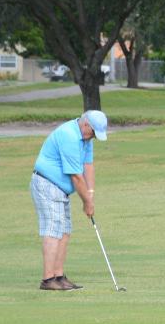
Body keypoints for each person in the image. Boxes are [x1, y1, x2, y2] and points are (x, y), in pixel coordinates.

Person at [30, 110, 108, 291]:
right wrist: (87, 203)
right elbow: (76, 176)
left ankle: (59, 276)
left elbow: (87, 165)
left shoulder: (86, 138)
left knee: (64, 231)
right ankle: (48, 279)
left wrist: (90, 193)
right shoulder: (69, 136)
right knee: (53, 231)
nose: (94, 137)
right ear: (86, 125)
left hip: (61, 190)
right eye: (93, 133)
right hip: (47, 184)